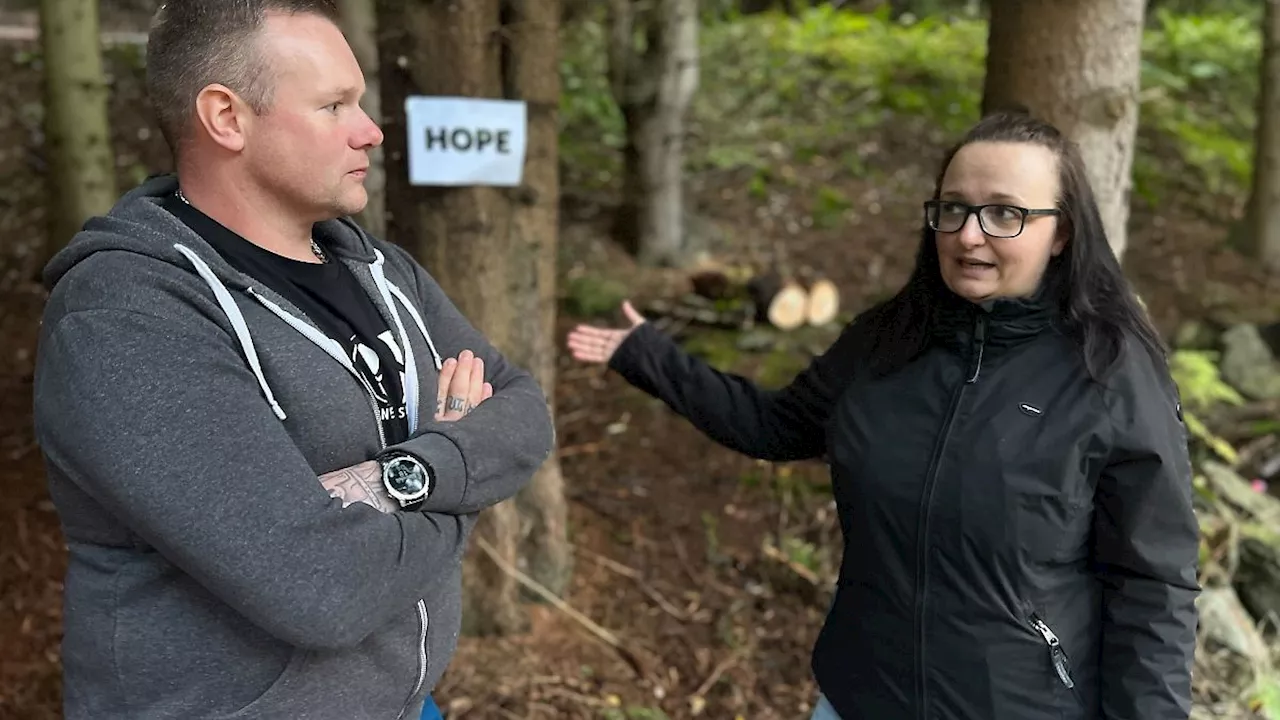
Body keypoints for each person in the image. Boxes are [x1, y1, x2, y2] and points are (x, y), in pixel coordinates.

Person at [567, 111, 1201, 719]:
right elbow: (772, 425)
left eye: (1005, 213)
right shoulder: (886, 342)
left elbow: (1153, 586)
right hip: (860, 696)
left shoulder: (1111, 374)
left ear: (1060, 232)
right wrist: (650, 356)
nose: (969, 234)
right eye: (953, 209)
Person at [31, 1, 554, 718]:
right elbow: (323, 587)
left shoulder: (381, 270)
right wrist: (468, 464)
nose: (370, 131)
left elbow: (525, 410)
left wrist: (410, 474)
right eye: (334, 105)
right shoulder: (125, 317)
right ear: (226, 117)